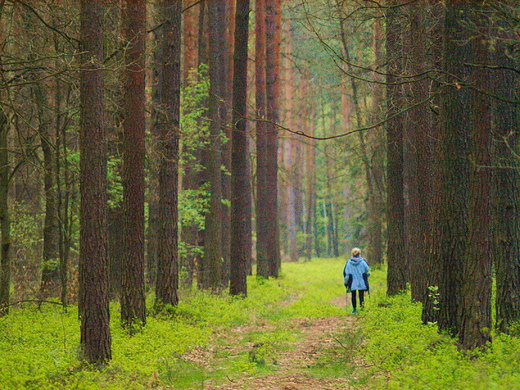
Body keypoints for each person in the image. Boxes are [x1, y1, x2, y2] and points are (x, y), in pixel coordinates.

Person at [343, 247, 370, 314]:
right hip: (361, 281)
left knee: (353, 295)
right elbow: (367, 269)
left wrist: (345, 282)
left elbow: (346, 272)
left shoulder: (349, 262)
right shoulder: (363, 262)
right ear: (359, 254)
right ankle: (362, 308)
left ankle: (354, 309)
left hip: (352, 282)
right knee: (361, 295)